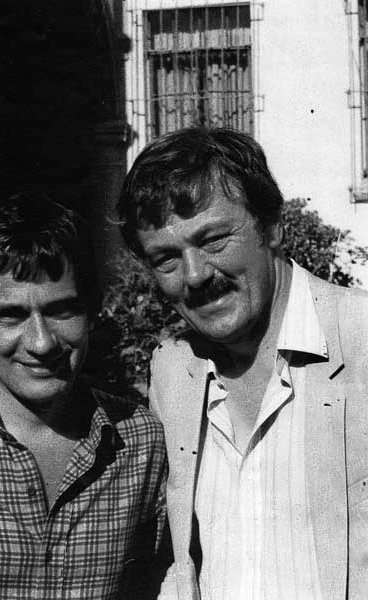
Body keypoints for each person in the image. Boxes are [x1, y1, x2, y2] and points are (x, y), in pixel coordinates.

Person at [117, 127, 368, 600]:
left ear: (272, 227)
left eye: (213, 240)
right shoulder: (173, 371)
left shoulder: (361, 340)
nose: (195, 276)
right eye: (166, 258)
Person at [0, 194, 167, 599]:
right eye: (10, 315)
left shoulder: (141, 443)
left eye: (62, 310)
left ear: (92, 313)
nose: (41, 343)